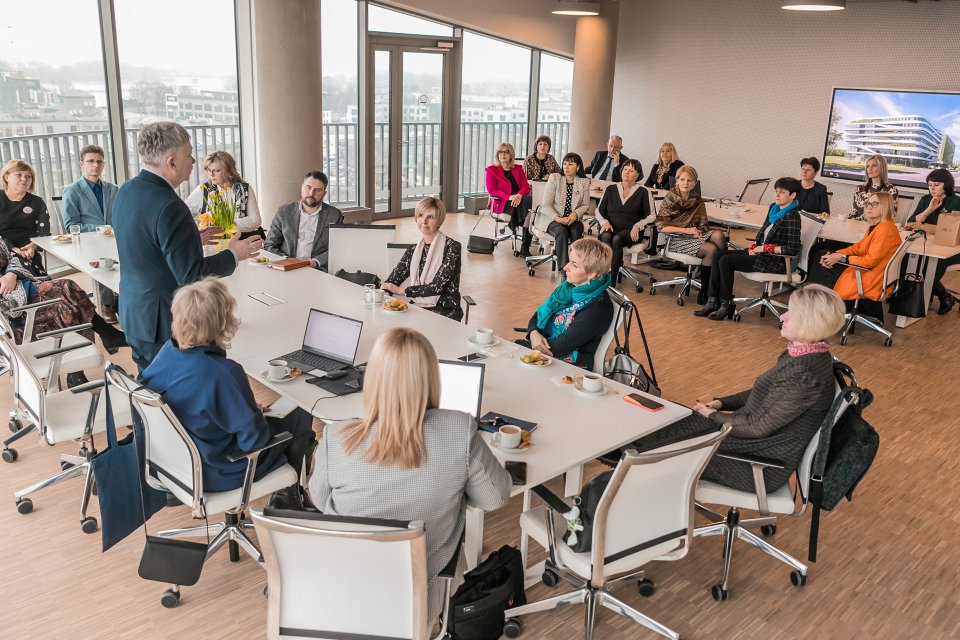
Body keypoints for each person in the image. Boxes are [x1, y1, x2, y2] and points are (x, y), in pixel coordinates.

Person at [309, 327, 511, 623]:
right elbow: (495, 498)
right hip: (422, 603)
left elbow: (318, 499)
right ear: (431, 377)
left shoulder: (336, 437)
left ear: (373, 379)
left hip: (345, 596)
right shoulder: (459, 430)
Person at [634, 285, 846, 494]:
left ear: (812, 323)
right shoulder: (804, 354)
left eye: (793, 313)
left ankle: (636, 502)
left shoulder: (806, 374)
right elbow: (765, 391)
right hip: (744, 441)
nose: (783, 317)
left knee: (651, 433)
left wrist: (713, 415)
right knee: (663, 417)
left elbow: (757, 428)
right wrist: (722, 403)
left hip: (755, 462)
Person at [142, 278, 316, 510]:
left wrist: (243, 410)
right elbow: (255, 440)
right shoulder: (223, 372)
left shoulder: (167, 352)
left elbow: (192, 402)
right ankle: (288, 498)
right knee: (300, 408)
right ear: (222, 321)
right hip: (222, 469)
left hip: (177, 464)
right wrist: (252, 415)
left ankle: (289, 495)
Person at [113, 122, 263, 373]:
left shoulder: (127, 190)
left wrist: (192, 238)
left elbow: (148, 243)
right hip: (164, 321)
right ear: (172, 162)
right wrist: (235, 254)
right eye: (189, 153)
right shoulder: (171, 205)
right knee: (178, 392)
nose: (193, 161)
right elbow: (191, 274)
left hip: (134, 312)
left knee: (150, 388)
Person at [1, 236, 126, 386]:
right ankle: (104, 338)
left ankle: (81, 368)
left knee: (71, 298)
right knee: (68, 294)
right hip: (11, 312)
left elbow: (14, 256)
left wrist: (12, 273)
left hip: (22, 289)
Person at [696, 177, 803, 320]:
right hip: (763, 254)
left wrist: (764, 248)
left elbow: (792, 249)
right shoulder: (774, 208)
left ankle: (727, 303)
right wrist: (755, 246)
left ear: (793, 195)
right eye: (776, 191)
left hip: (777, 261)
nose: (777, 195)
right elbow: (763, 233)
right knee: (718, 254)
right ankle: (712, 300)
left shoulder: (792, 217)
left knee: (726, 261)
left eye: (782, 192)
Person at [518, 237, 614, 371]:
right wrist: (533, 333)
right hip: (544, 348)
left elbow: (560, 347)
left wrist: (531, 343)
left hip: (566, 364)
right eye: (569, 261)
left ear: (592, 274)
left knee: (501, 353)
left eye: (574, 265)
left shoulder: (598, 308)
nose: (565, 267)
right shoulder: (567, 289)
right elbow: (538, 314)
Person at [806, 192, 901, 317]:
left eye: (874, 204)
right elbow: (858, 248)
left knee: (819, 265)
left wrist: (841, 258)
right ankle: (823, 309)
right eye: (867, 203)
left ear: (885, 206)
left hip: (869, 277)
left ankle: (821, 311)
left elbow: (869, 261)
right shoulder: (877, 226)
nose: (869, 207)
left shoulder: (885, 230)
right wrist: (835, 255)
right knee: (822, 254)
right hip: (867, 271)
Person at [61, 144, 120, 322]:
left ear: (103, 165)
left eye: (99, 162)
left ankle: (121, 299)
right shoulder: (72, 191)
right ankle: (106, 304)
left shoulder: (114, 189)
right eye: (90, 161)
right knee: (103, 259)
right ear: (82, 164)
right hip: (89, 242)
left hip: (114, 239)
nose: (95, 165)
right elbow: (71, 225)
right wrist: (101, 230)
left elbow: (120, 216)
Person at [655, 165, 727, 304]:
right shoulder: (671, 197)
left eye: (689, 180)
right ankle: (706, 293)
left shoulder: (697, 199)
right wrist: (687, 230)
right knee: (711, 250)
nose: (685, 183)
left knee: (719, 235)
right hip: (675, 239)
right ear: (676, 180)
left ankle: (718, 286)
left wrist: (698, 231)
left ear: (695, 182)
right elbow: (661, 227)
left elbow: (702, 224)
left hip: (692, 236)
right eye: (682, 179)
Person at [382, 197, 463, 321]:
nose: (424, 221)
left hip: (445, 309)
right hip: (418, 307)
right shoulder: (413, 249)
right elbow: (393, 279)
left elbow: (436, 287)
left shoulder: (453, 248)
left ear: (439, 221)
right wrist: (386, 293)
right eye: (420, 215)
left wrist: (403, 291)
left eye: (430, 217)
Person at [904, 169, 960, 313]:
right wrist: (928, 210)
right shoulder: (925, 199)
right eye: (929, 185)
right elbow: (911, 223)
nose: (932, 188)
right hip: (927, 244)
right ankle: (908, 296)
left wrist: (923, 226)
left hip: (951, 249)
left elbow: (947, 231)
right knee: (904, 260)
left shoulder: (956, 202)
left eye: (936, 184)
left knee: (929, 269)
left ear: (946, 185)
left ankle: (944, 296)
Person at [265, 171, 344, 271]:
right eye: (308, 187)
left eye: (318, 190)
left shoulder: (334, 215)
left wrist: (315, 262)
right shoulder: (284, 212)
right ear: (302, 187)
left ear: (324, 193)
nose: (311, 193)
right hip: (285, 268)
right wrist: (287, 262)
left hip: (318, 270)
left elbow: (338, 248)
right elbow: (269, 244)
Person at [185, 150, 265, 240]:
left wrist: (229, 224)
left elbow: (256, 220)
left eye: (216, 170)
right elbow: (183, 213)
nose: (211, 174)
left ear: (229, 170)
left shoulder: (245, 189)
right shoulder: (203, 189)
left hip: (241, 241)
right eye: (209, 170)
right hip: (213, 244)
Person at [532, 152, 590, 270]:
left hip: (572, 218)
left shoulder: (583, 182)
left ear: (578, 167)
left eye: (570, 164)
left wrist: (575, 213)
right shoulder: (555, 178)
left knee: (576, 232)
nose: (566, 167)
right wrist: (558, 218)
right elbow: (546, 205)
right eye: (564, 164)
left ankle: (578, 267)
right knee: (561, 231)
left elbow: (585, 205)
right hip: (551, 217)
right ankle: (564, 270)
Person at [595, 159, 651, 281]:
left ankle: (611, 281)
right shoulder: (610, 189)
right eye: (625, 169)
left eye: (631, 170)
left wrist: (638, 225)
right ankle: (600, 277)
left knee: (617, 239)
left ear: (637, 175)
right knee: (605, 237)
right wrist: (604, 222)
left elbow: (651, 215)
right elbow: (598, 210)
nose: (627, 172)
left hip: (631, 230)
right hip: (610, 226)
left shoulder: (643, 192)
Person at [0, 159, 50, 275]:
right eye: (19, 175)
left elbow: (44, 233)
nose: (24, 179)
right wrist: (12, 248)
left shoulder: (37, 202)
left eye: (28, 176)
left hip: (27, 254)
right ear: (6, 177)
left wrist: (32, 246)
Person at [485, 142, 533, 256]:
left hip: (519, 201)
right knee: (530, 211)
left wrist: (519, 195)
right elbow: (492, 190)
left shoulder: (518, 169)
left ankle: (523, 243)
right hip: (502, 202)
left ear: (511, 154)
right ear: (497, 155)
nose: (503, 154)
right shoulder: (492, 170)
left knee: (529, 204)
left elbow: (525, 187)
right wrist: (510, 197)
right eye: (500, 152)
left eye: (506, 152)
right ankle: (525, 248)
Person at [852, 154, 898, 220]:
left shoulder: (891, 190)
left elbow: (889, 216)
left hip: (878, 227)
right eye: (868, 166)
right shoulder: (860, 188)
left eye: (874, 165)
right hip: (856, 225)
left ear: (882, 168)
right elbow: (853, 212)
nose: (870, 169)